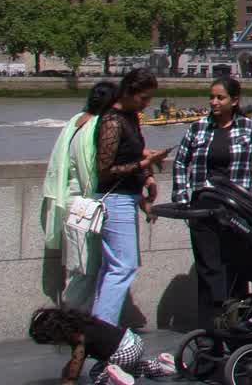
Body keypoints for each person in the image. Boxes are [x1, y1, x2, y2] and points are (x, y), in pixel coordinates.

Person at [171, 75, 252, 328]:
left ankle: (235, 324)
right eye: (211, 97)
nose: (214, 102)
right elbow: (180, 163)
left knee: (235, 268)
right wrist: (184, 199)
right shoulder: (198, 128)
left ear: (234, 100)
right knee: (208, 270)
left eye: (220, 97)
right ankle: (209, 328)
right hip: (203, 210)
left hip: (235, 211)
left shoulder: (248, 128)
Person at [92, 69, 170, 326]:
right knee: (122, 267)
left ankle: (98, 329)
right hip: (114, 199)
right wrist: (143, 164)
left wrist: (147, 174)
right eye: (144, 98)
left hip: (127, 196)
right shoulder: (111, 121)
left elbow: (133, 153)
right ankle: (103, 333)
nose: (147, 104)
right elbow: (104, 170)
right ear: (129, 92)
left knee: (113, 267)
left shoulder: (130, 117)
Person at [42, 81, 118, 309]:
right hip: (85, 206)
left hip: (68, 203)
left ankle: (72, 320)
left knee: (76, 267)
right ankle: (70, 323)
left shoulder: (75, 122)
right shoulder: (98, 126)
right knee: (85, 270)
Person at [29, 305, 177, 385]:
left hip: (122, 353)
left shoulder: (78, 337)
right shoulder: (81, 321)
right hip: (134, 342)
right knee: (132, 368)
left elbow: (76, 362)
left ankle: (113, 379)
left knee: (96, 373)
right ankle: (163, 366)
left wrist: (69, 380)